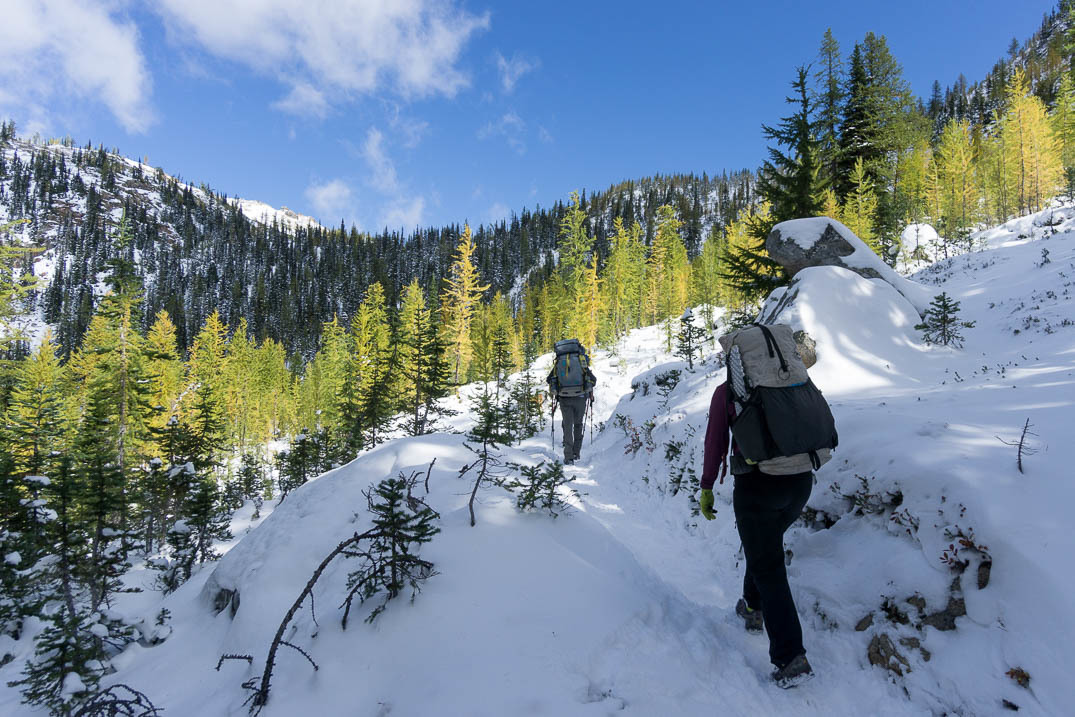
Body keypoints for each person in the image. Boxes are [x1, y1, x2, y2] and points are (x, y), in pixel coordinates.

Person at [699, 380, 815, 688]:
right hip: (801, 482)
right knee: (764, 546)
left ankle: (791, 658)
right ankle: (752, 607)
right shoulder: (792, 381)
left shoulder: (728, 391)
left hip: (758, 484)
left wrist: (707, 486)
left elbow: (715, 442)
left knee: (768, 566)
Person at [546, 338, 596, 465]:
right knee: (578, 425)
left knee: (568, 426)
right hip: (580, 397)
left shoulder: (559, 361)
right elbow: (593, 380)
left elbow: (549, 379)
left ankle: (568, 457)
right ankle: (576, 452)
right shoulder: (581, 360)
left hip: (564, 398)